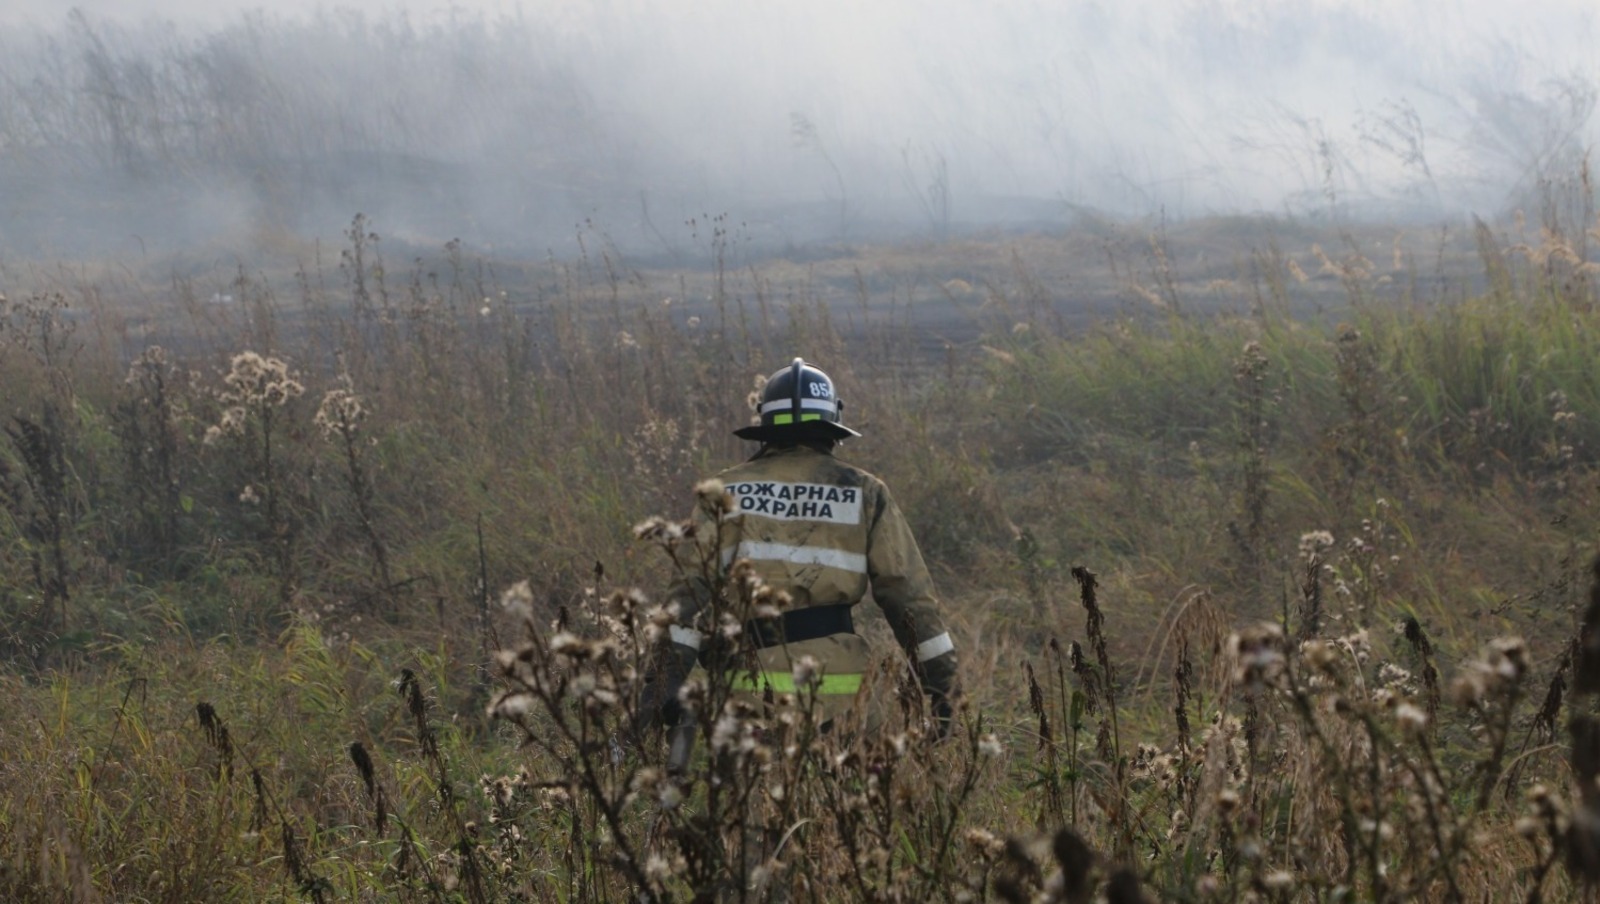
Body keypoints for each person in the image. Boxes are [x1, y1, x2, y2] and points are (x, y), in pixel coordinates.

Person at [639, 357, 960, 742]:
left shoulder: (725, 492)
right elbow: (909, 600)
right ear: (832, 428)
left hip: (749, 696)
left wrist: (659, 688)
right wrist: (944, 693)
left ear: (765, 429)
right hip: (844, 696)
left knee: (754, 797)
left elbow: (688, 595)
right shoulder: (864, 492)